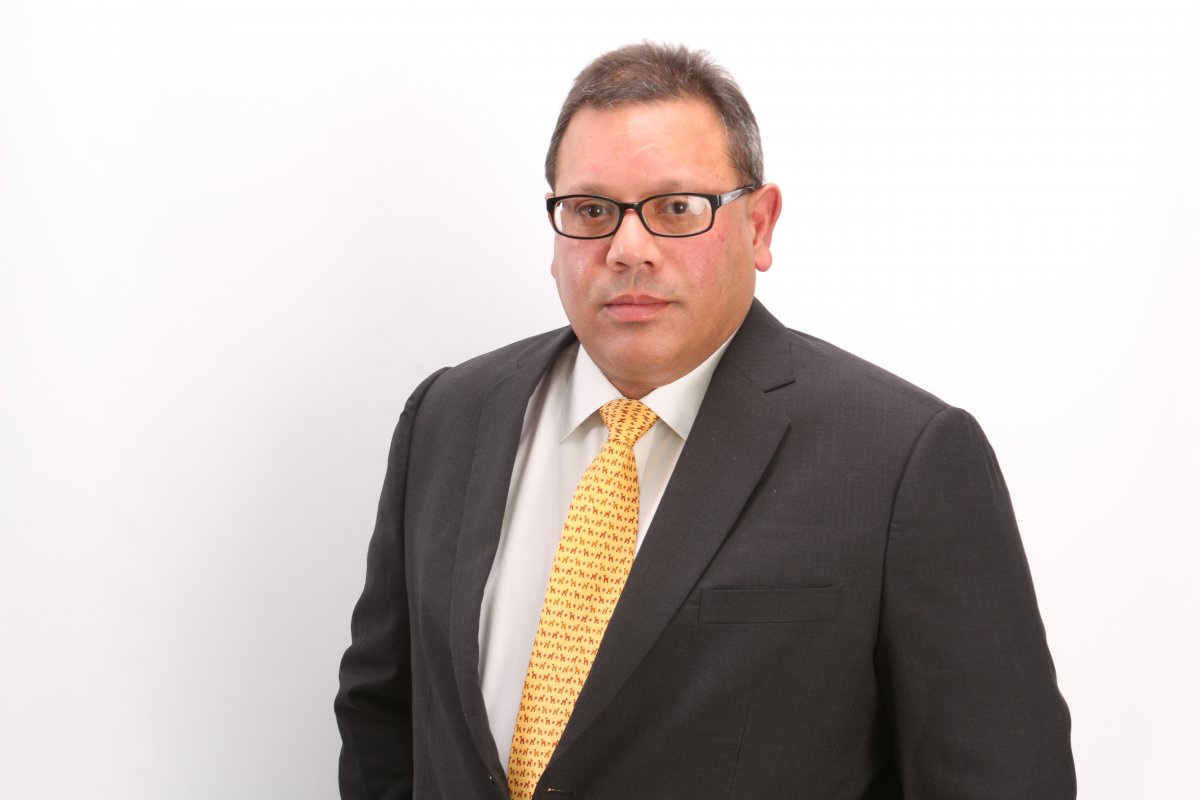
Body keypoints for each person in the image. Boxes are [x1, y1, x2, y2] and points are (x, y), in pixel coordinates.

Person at [335, 42, 1075, 800]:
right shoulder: (448, 418)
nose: (628, 249)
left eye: (676, 209)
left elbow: (1001, 777)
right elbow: (382, 720)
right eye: (591, 210)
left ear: (760, 225)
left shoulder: (903, 461)